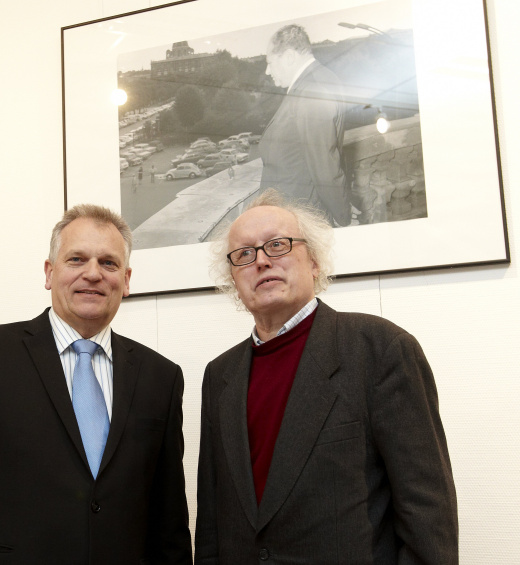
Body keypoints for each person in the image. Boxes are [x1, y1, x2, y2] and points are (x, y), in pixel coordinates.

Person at [0, 204, 191, 564]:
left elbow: (169, 525)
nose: (93, 273)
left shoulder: (161, 377)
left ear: (127, 279)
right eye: (76, 259)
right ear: (49, 272)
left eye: (109, 263)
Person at [195, 188, 457, 564]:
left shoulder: (380, 349)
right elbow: (212, 522)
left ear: (314, 262)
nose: (262, 261)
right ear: (234, 280)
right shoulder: (219, 375)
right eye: (245, 254)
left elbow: (428, 511)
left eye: (278, 245)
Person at [259, 24, 351, 227]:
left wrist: (343, 217)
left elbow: (325, 164)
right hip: (295, 215)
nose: (267, 70)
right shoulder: (311, 83)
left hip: (302, 220)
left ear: (290, 57)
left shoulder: (312, 89)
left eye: (270, 62)